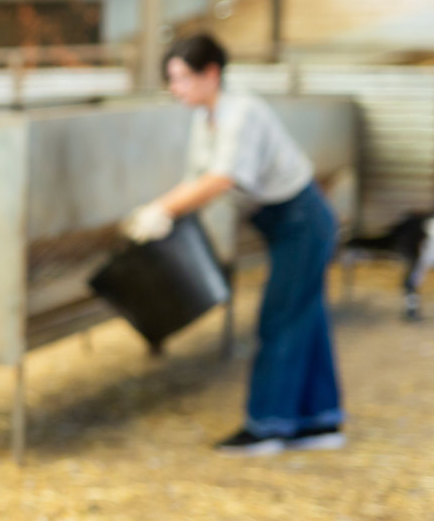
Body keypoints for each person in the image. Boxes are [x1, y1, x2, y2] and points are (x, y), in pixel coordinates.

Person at [123, 33, 344, 455]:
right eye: (172, 80)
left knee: (281, 317)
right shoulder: (204, 118)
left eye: (182, 78)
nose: (176, 89)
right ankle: (321, 422)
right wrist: (165, 212)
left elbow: (222, 178)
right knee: (306, 317)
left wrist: (161, 210)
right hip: (282, 224)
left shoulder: (240, 114)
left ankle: (267, 427)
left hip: (302, 220)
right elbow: (196, 179)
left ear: (211, 73)